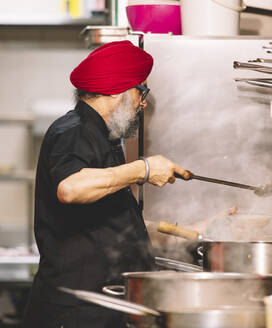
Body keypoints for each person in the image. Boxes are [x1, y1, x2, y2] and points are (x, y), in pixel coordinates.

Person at [23, 40, 190, 327]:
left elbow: (110, 224)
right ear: (117, 90)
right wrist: (144, 169)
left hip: (98, 308)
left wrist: (196, 231)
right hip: (76, 313)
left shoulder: (104, 138)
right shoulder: (73, 131)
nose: (144, 102)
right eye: (142, 91)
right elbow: (70, 187)